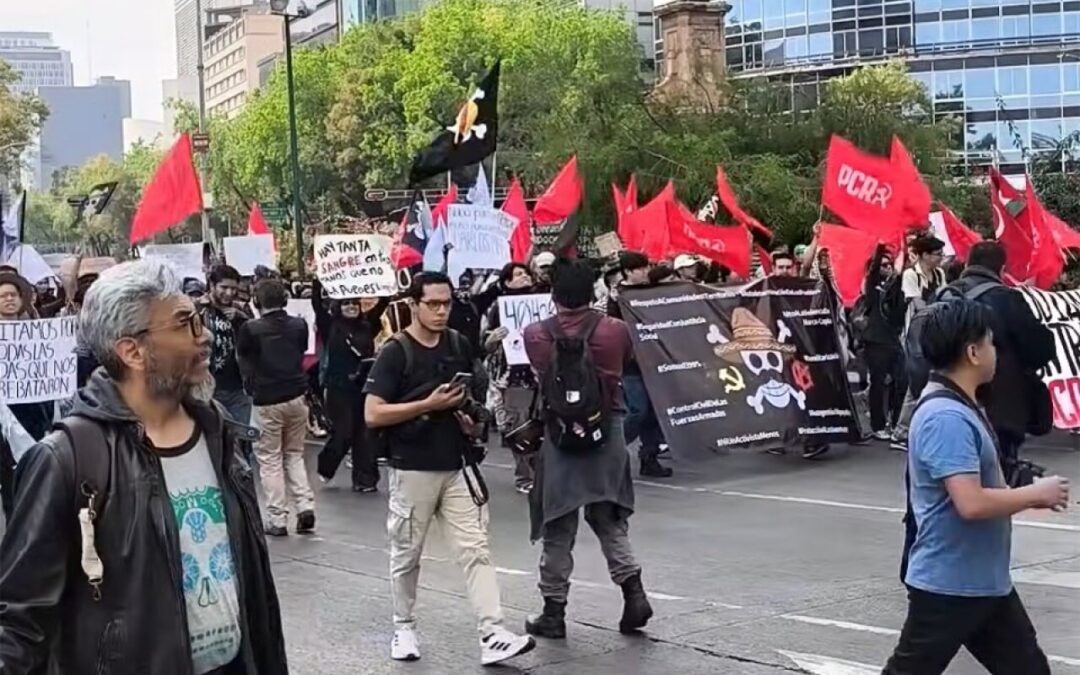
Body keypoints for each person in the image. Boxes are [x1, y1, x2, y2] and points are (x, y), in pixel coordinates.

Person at [0, 259, 288, 675]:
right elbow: (19, 622)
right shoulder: (67, 458)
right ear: (132, 351)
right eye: (185, 323)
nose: (204, 336)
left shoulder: (218, 430)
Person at [882, 299, 1068, 674]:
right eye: (991, 343)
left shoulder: (960, 405)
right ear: (972, 352)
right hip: (949, 585)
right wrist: (1037, 494)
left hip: (983, 582)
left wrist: (1016, 482)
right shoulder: (945, 416)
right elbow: (970, 503)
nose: (995, 351)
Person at [364, 271, 535, 666]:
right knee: (407, 554)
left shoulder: (458, 343)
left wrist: (471, 421)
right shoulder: (396, 351)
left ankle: (492, 632)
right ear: (414, 304)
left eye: (447, 304)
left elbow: (472, 401)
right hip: (412, 467)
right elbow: (373, 413)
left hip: (457, 463)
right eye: (433, 304)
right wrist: (427, 406)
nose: (442, 312)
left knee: (476, 550)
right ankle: (403, 627)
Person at [523, 257, 653, 639]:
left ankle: (553, 612)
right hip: (607, 430)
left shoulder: (535, 334)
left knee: (558, 527)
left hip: (561, 436)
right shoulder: (616, 330)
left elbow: (539, 377)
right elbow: (625, 363)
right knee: (609, 519)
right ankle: (634, 593)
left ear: (553, 292)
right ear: (592, 291)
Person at [947, 242, 1055, 470]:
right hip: (998, 406)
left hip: (945, 400)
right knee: (996, 476)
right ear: (1002, 269)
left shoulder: (944, 295)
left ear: (967, 263)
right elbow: (1040, 349)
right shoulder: (1007, 299)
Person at [237, 278, 315, 536]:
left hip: (267, 399)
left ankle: (278, 518)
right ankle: (305, 506)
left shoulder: (251, 328)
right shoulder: (298, 325)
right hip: (296, 394)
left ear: (257, 302)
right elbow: (302, 350)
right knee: (294, 454)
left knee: (269, 459)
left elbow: (244, 359)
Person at [313, 278, 388, 492]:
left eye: (355, 303)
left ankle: (365, 480)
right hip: (338, 388)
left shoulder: (368, 326)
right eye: (346, 303)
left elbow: (383, 303)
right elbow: (317, 305)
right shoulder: (331, 326)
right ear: (339, 306)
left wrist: (386, 280)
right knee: (344, 432)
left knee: (364, 435)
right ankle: (326, 466)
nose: (351, 307)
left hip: (364, 387)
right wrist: (318, 281)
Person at [607, 252, 672, 477]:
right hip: (631, 364)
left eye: (647, 268)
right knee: (638, 409)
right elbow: (614, 327)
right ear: (628, 272)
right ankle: (610, 450)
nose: (646, 272)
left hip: (653, 360)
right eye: (641, 269)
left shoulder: (649, 291)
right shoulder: (617, 296)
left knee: (653, 412)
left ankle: (649, 457)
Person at [481, 262, 539, 493]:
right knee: (520, 425)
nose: (524, 277)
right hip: (513, 376)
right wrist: (493, 339)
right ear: (506, 281)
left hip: (540, 373)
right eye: (518, 274)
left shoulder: (544, 301)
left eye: (526, 273)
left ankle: (543, 472)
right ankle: (524, 476)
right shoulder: (497, 307)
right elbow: (484, 345)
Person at [0, 272, 52, 520]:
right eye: (2, 296)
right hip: (4, 419)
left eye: (13, 295)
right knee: (11, 480)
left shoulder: (38, 331)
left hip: (33, 413)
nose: (8, 300)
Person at [891, 235, 948, 451]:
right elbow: (918, 304)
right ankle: (901, 432)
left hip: (933, 334)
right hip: (914, 337)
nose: (941, 258)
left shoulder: (939, 274)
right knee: (917, 382)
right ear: (924, 255)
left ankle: (910, 429)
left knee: (927, 381)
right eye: (937, 254)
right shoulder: (910, 275)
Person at [858, 245, 906, 441]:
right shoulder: (872, 286)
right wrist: (878, 250)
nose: (887, 268)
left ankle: (896, 422)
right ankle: (878, 424)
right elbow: (873, 270)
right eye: (883, 265)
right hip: (876, 340)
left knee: (901, 381)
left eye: (889, 264)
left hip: (893, 340)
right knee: (878, 382)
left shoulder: (895, 285)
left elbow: (902, 273)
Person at [199, 264, 252, 424]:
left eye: (234, 288)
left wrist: (241, 318)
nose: (229, 293)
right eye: (224, 287)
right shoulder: (197, 310)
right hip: (208, 387)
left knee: (242, 439)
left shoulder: (241, 309)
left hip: (238, 387)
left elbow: (257, 338)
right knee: (216, 440)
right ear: (212, 285)